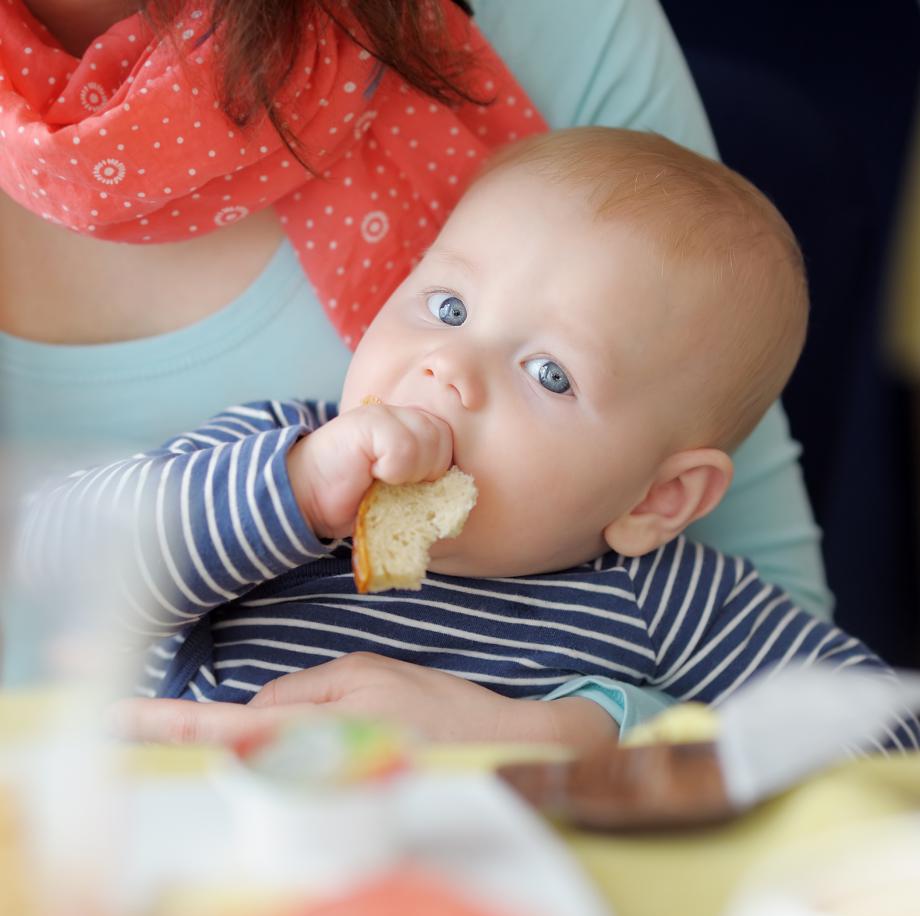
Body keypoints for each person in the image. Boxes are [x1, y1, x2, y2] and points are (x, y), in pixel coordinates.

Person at [1, 0, 829, 738]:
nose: (450, 370)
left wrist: (580, 737)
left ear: (658, 499)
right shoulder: (280, 456)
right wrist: (292, 491)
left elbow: (861, 734)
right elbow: (59, 557)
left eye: (549, 374)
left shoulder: (662, 598)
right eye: (447, 309)